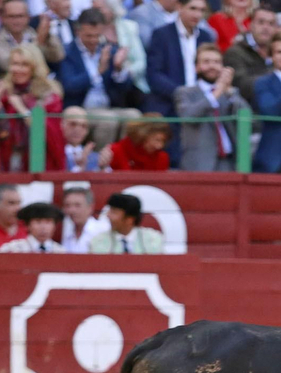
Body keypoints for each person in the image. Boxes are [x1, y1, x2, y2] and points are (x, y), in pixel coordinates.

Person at [174, 43, 245, 171]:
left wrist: (228, 91)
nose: (212, 66)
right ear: (196, 67)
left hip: (229, 163)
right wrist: (216, 92)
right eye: (206, 62)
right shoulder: (185, 92)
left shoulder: (229, 92)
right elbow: (188, 116)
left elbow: (247, 116)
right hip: (199, 164)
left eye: (217, 62)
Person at [90, 192, 166, 254]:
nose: (108, 215)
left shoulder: (152, 240)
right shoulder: (99, 242)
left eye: (114, 212)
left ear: (129, 219)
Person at [107, 118, 172, 171]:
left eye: (163, 141)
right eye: (156, 140)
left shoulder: (162, 157)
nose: (159, 146)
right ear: (143, 136)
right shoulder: (117, 150)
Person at [61, 186, 110, 253]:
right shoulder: (66, 233)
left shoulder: (103, 230)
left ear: (90, 207)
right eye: (67, 205)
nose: (72, 210)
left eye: (77, 205)